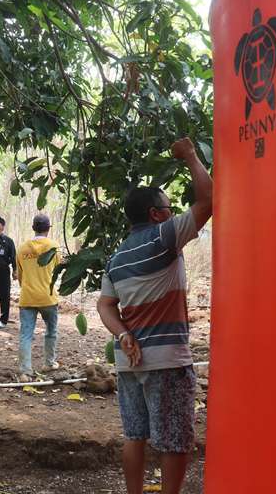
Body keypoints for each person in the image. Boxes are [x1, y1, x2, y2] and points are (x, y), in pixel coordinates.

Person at [96, 138, 212, 494]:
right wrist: (191, 156)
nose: (173, 209)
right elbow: (209, 200)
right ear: (156, 214)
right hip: (166, 360)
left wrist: (122, 334)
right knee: (175, 440)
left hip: (128, 361)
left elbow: (104, 305)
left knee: (135, 435)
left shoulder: (116, 258)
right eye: (168, 205)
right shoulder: (164, 238)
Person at [15, 214, 61, 382]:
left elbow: (20, 275)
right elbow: (58, 269)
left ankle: (25, 371)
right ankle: (49, 363)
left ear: (33, 227)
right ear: (48, 228)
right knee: (51, 331)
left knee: (26, 334)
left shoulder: (22, 248)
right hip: (48, 297)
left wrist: (27, 287)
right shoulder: (54, 246)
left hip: (27, 297)